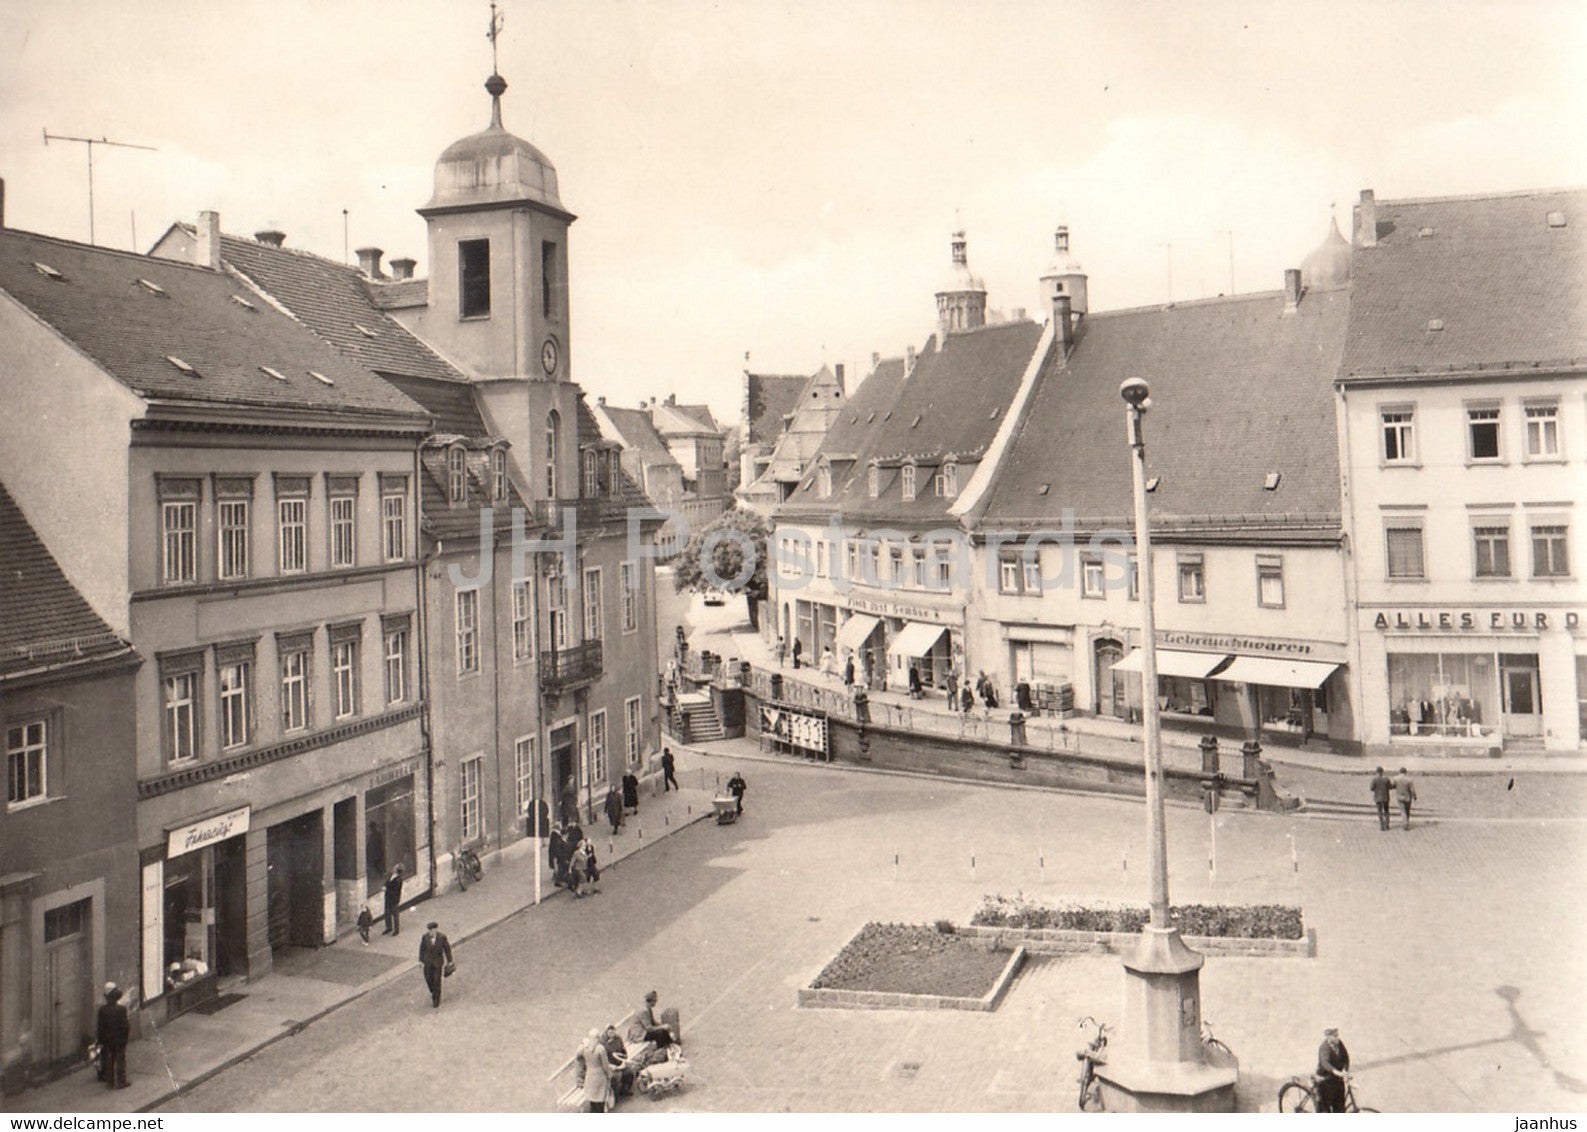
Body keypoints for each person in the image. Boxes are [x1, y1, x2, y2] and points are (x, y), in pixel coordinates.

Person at [96, 983, 130, 1089]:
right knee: (120, 1060)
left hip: (107, 1040)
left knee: (109, 1060)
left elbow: (100, 1027)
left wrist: (100, 1040)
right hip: (119, 1039)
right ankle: (121, 1081)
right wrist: (125, 1038)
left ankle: (110, 1082)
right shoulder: (121, 1009)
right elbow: (125, 1026)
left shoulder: (102, 1010)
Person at [577, 1029, 615, 1112]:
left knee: (592, 1100)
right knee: (600, 1100)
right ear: (598, 1037)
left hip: (590, 1075)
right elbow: (605, 1065)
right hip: (600, 1076)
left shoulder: (585, 1048)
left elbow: (578, 1056)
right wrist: (609, 1074)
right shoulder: (600, 1049)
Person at [1314, 1027, 1351, 1112]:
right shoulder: (1324, 1047)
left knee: (1340, 1108)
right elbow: (1325, 1063)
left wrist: (1345, 1070)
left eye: (1337, 1035)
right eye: (1334, 1036)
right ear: (1328, 1037)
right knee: (1325, 1109)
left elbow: (1346, 1058)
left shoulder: (1339, 1044)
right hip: (1326, 1081)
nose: (1337, 1038)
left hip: (1337, 1080)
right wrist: (1335, 1071)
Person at [418, 921, 453, 1008]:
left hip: (438, 963)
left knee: (437, 980)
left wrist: (450, 961)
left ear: (435, 930)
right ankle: (433, 991)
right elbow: (422, 949)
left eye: (432, 930)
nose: (430, 932)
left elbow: (447, 949)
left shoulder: (442, 937)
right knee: (428, 979)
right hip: (428, 962)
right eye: (429, 930)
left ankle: (436, 1000)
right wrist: (421, 961)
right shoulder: (425, 938)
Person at [600, 1025, 635, 1096]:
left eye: (613, 1033)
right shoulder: (602, 1043)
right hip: (609, 1064)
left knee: (629, 1072)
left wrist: (624, 1058)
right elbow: (602, 1058)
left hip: (618, 1061)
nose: (612, 1035)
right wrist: (610, 1065)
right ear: (606, 1032)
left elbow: (623, 1050)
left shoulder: (618, 1038)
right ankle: (616, 1094)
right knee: (615, 1076)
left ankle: (625, 1089)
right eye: (610, 1033)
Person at [382, 863, 404, 935]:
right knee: (387, 913)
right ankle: (388, 927)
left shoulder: (398, 880)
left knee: (395, 914)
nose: (393, 868)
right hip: (388, 897)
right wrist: (385, 886)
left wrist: (386, 889)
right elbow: (387, 882)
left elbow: (394, 890)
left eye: (395, 868)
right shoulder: (391, 876)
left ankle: (396, 930)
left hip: (394, 899)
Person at [1369, 766, 1393, 831]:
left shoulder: (1374, 779)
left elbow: (1371, 788)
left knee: (1380, 812)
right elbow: (1390, 787)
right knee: (1386, 811)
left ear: (1376, 772)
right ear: (1382, 772)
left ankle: (1382, 825)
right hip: (1386, 798)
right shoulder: (1386, 779)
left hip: (1378, 798)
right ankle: (1387, 825)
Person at [549, 822, 570, 887]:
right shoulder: (556, 836)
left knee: (561, 868)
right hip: (556, 855)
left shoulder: (554, 835)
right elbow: (556, 847)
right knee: (562, 868)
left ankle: (558, 878)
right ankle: (561, 880)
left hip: (556, 854)